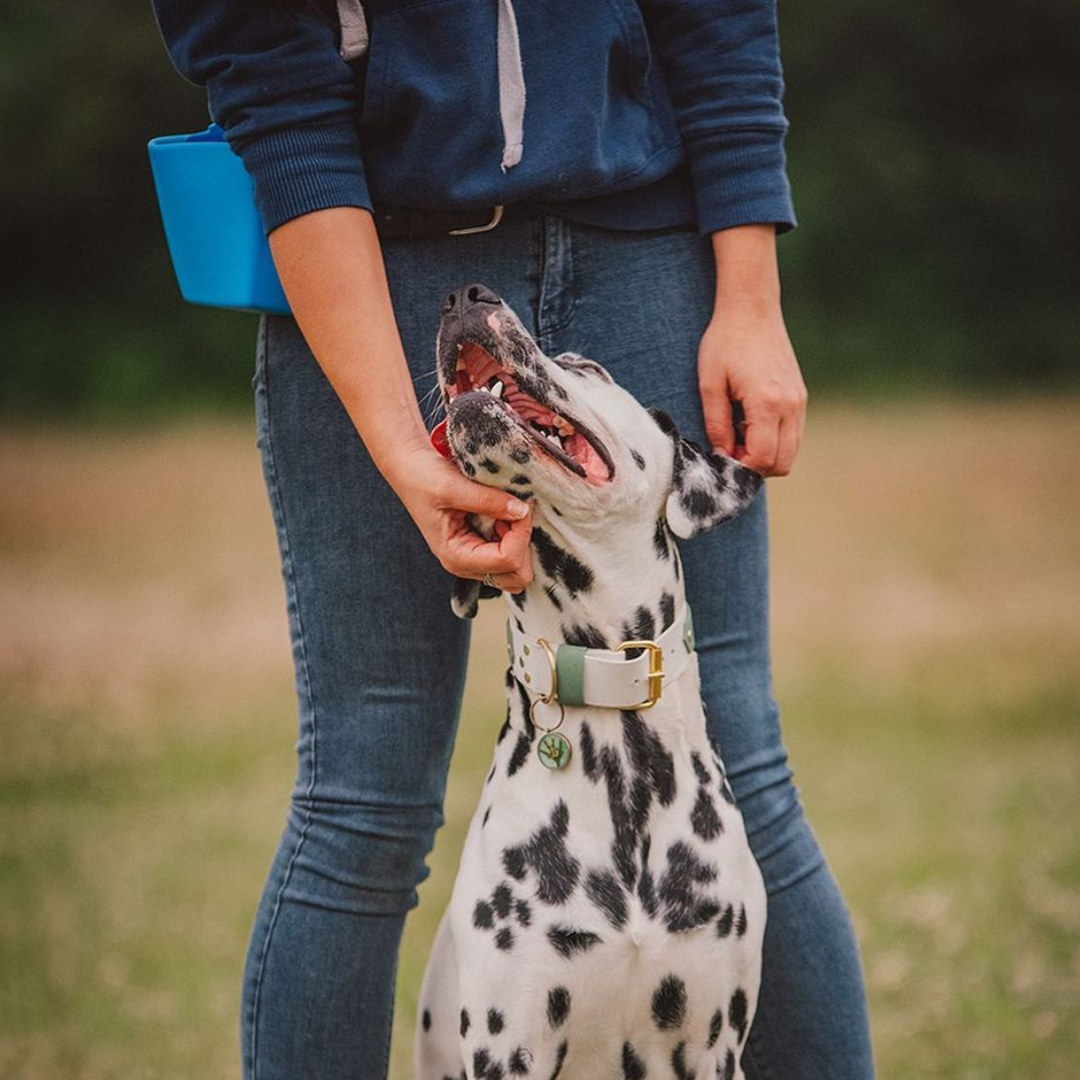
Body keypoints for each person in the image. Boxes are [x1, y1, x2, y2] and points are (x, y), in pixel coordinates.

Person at [151, 1, 875, 1077]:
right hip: (370, 259)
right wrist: (403, 447)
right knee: (366, 800)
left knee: (743, 770)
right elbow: (273, 82)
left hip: (646, 244)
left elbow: (716, 14)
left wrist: (752, 296)